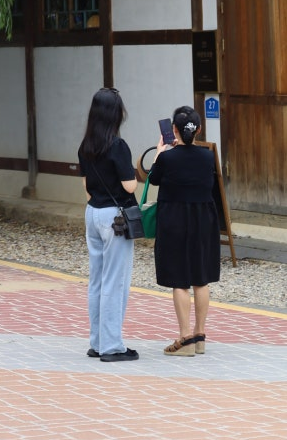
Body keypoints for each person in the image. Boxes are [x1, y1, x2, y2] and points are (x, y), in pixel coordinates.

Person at [146, 104, 220, 356]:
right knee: (201, 278)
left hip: (174, 219)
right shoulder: (208, 156)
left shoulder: (167, 158)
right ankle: (200, 336)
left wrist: (159, 152)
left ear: (174, 130)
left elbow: (153, 179)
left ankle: (185, 337)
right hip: (203, 219)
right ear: (198, 130)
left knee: (179, 279)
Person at [77, 86, 139, 362]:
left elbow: (86, 187)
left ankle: (98, 342)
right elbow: (129, 186)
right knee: (115, 281)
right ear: (116, 113)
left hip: (93, 213)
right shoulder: (117, 146)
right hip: (115, 219)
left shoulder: (86, 146)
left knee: (98, 280)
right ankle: (112, 346)